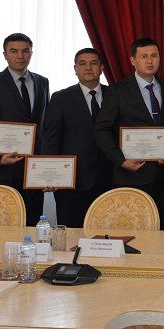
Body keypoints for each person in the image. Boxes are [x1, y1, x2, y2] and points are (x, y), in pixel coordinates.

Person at [94, 37, 164, 227]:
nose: (150, 61)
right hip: (132, 174)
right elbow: (101, 129)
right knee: (134, 231)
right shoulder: (117, 90)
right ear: (133, 61)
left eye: (154, 56)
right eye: (144, 56)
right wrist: (121, 161)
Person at [0, 33, 49, 225]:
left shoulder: (42, 81)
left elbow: (45, 125)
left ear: (31, 53)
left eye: (25, 51)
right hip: (5, 169)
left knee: (33, 224)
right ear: (5, 55)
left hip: (34, 170)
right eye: (14, 51)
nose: (20, 56)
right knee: (7, 225)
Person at [41, 48, 112, 228]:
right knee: (72, 235)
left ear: (102, 68)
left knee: (108, 234)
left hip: (111, 179)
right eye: (82, 63)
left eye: (93, 63)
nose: (88, 67)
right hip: (72, 182)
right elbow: (51, 139)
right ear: (75, 69)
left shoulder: (115, 94)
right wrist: (49, 175)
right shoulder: (60, 98)